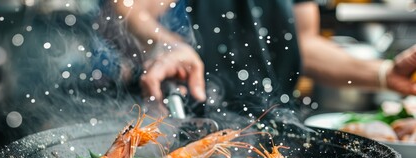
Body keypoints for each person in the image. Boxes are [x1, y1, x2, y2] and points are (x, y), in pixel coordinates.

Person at [119, 0, 416, 118]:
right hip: (184, 120)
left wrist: (384, 74)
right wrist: (167, 44)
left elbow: (304, 44)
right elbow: (132, 8)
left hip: (275, 124)